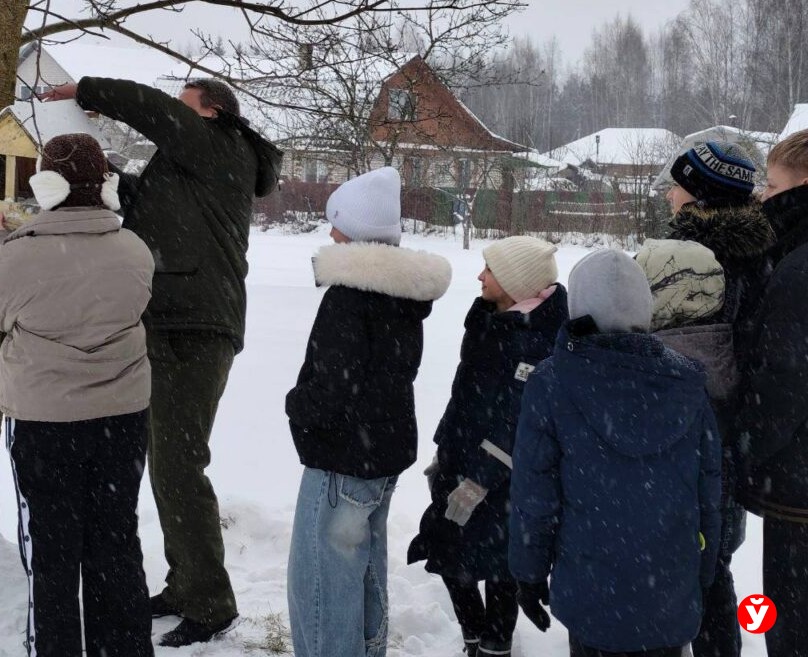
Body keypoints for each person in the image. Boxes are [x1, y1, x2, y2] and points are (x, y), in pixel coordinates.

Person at [40, 78, 282, 646]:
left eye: (185, 104)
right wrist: (88, 176)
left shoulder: (222, 146)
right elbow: (143, 206)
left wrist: (88, 90)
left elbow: (155, 112)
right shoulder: (185, 166)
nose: (175, 112)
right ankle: (186, 583)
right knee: (165, 462)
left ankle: (211, 603)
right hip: (170, 322)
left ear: (213, 112)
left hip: (196, 328)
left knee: (178, 465)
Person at [0, 134, 156, 657]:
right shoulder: (135, 250)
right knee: (116, 541)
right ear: (106, 186)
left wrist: (0, 242)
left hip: (45, 422)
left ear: (45, 185)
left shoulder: (23, 256)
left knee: (52, 552)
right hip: (122, 417)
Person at [509, 249, 721, 657]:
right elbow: (708, 492)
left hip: (591, 586)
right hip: (668, 589)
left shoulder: (554, 382)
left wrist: (529, 573)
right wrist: (704, 570)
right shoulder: (686, 381)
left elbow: (535, 495)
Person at [285, 167, 452, 657]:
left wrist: (295, 405)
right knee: (364, 567)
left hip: (343, 458)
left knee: (323, 581)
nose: (330, 233)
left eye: (336, 224)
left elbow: (335, 387)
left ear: (354, 231)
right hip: (381, 451)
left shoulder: (350, 296)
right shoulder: (401, 293)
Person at [408, 236, 567, 657]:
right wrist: (443, 449)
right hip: (459, 459)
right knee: (449, 553)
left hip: (505, 479)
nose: (480, 276)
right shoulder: (488, 319)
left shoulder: (538, 340)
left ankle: (495, 648)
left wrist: (480, 480)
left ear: (517, 282)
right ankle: (473, 637)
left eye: (490, 270)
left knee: (500, 568)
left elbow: (518, 422)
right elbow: (463, 394)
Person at [636, 239, 742, 657]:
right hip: (720, 511)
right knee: (716, 587)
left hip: (672, 527)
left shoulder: (663, 367)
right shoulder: (723, 348)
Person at [732, 129, 808, 656]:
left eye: (774, 186)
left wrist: (745, 449)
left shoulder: (797, 272)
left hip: (800, 493)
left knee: (791, 625)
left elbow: (783, 384)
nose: (764, 198)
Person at [664, 140, 775, 366]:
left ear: (703, 198)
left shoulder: (681, 258)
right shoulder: (761, 250)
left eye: (676, 186)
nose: (669, 195)